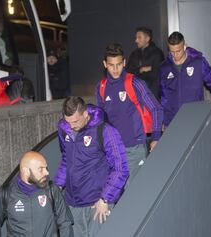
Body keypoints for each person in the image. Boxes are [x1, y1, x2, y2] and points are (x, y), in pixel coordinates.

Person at [54, 96, 129, 237]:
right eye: (67, 121)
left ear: (85, 114)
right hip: (73, 204)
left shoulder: (105, 131)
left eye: (75, 121)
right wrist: (57, 186)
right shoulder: (64, 129)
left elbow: (120, 168)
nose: (71, 126)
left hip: (97, 204)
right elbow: (66, 159)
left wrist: (105, 198)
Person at [95, 43, 163, 184]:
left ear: (124, 62)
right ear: (104, 64)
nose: (115, 69)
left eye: (119, 64)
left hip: (135, 148)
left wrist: (156, 137)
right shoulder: (101, 87)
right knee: (115, 194)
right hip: (113, 152)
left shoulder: (135, 83)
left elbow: (156, 108)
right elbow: (101, 120)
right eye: (111, 65)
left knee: (134, 193)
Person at [0, 151, 74, 237]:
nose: (46, 172)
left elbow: (65, 223)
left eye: (46, 168)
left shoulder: (52, 190)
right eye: (41, 169)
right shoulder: (5, 193)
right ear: (25, 171)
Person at [159, 32, 211, 127]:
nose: (175, 55)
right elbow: (164, 97)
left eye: (178, 51)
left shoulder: (198, 62)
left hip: (196, 118)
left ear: (185, 46)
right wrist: (163, 120)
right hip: (173, 121)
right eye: (172, 51)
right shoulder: (164, 68)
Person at [126, 27, 164, 99]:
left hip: (153, 95)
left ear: (147, 39)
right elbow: (128, 72)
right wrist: (141, 69)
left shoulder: (157, 53)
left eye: (139, 37)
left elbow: (157, 73)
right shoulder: (134, 54)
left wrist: (138, 73)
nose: (136, 40)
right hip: (136, 95)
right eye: (136, 38)